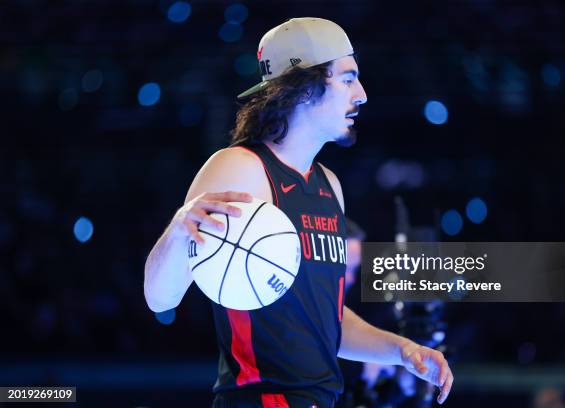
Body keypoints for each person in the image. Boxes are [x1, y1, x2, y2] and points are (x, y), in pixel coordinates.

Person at [144, 17, 453, 407]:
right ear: (303, 88)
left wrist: (402, 351)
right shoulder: (240, 168)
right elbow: (159, 299)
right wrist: (177, 231)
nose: (361, 93)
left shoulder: (329, 186)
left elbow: (326, 321)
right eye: (347, 78)